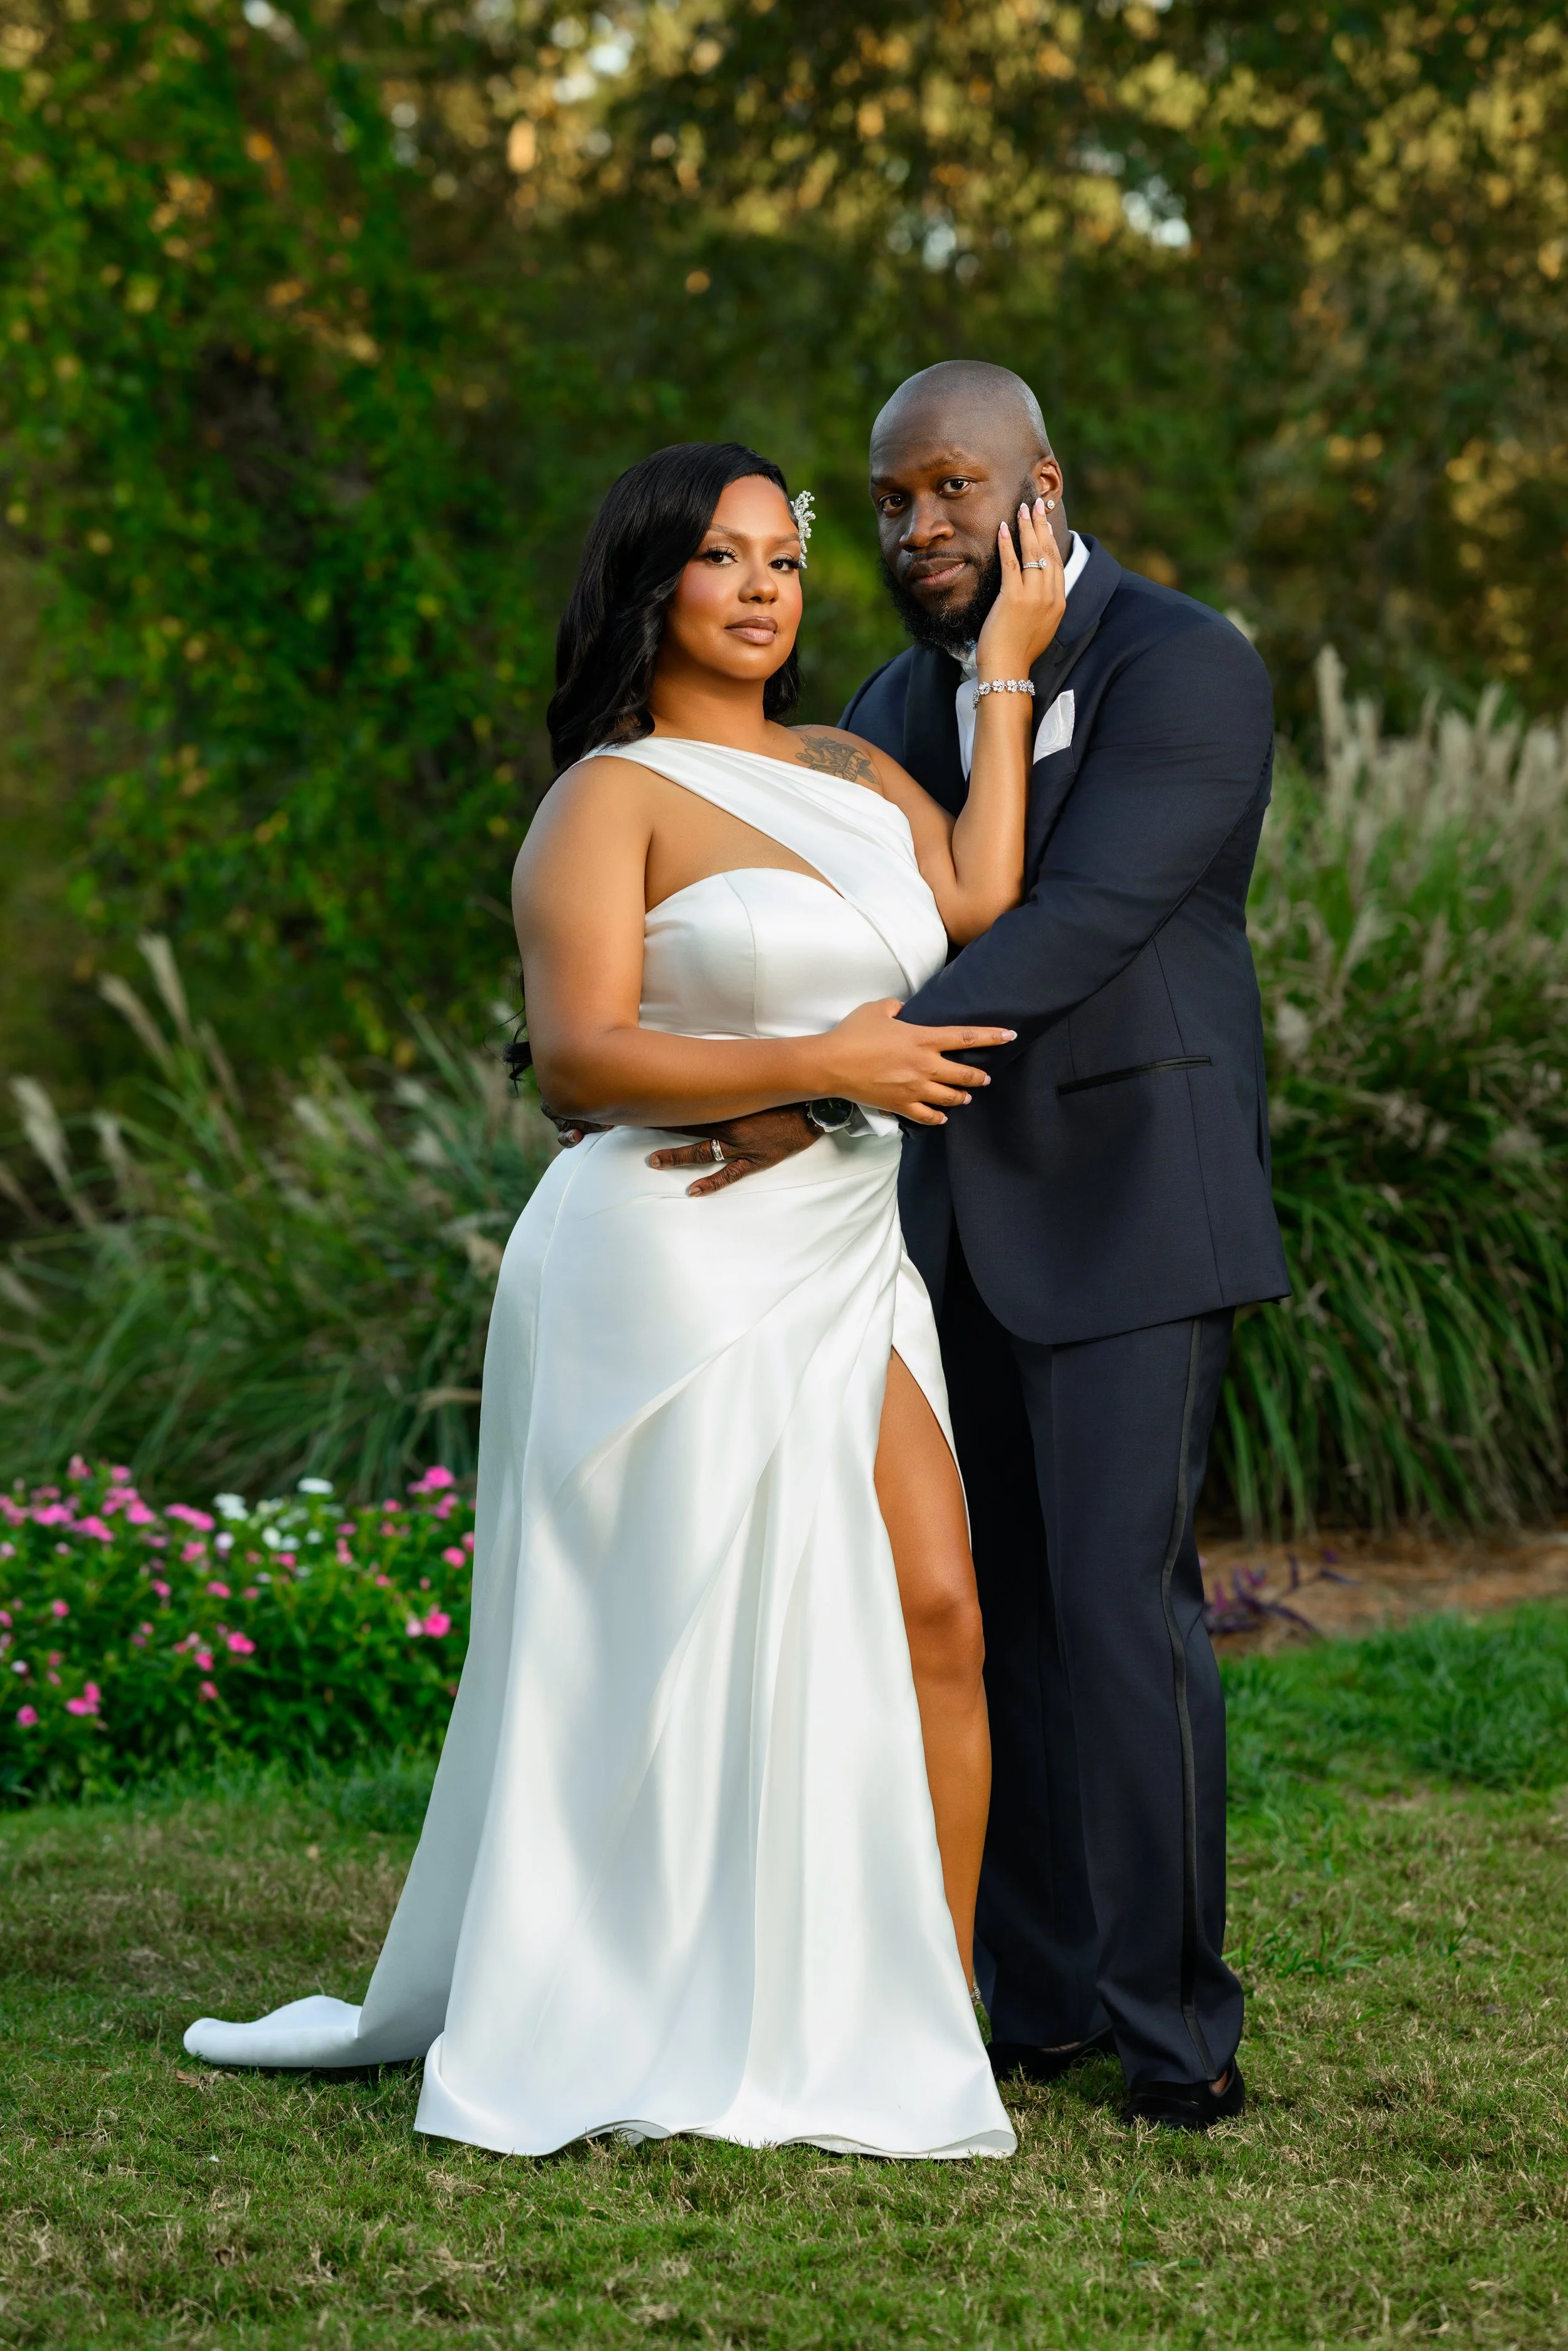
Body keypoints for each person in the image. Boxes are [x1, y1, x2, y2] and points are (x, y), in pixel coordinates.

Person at [184, 439, 1066, 2159]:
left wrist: (1009, 665)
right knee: (651, 1645)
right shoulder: (606, 795)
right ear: (651, 579)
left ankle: (929, 2011)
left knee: (934, 1603)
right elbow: (579, 1052)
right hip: (657, 1251)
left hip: (833, 1231)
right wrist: (826, 1058)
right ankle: (619, 1989)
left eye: (785, 561)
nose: (762, 588)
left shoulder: (853, 766)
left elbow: (975, 900)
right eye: (724, 557)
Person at [645, 364, 1289, 2133]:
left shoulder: (1183, 664)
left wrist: (822, 1088)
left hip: (1131, 1207)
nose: (916, 528)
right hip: (937, 1234)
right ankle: (1044, 1994)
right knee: (987, 1622)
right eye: (890, 499)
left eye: (946, 490)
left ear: (1039, 487)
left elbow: (1076, 922)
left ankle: (1179, 2031)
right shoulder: (885, 698)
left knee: (1112, 1609)